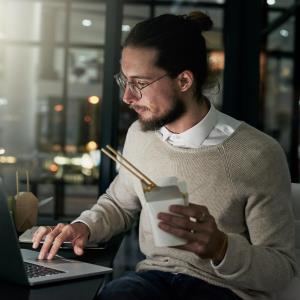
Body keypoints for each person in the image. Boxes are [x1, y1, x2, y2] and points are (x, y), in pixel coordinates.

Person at [32, 11, 296, 300]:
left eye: (140, 83)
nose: (127, 97)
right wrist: (83, 227)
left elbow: (282, 268)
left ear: (184, 81)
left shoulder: (259, 154)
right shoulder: (140, 135)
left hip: (225, 290)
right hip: (152, 279)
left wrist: (222, 248)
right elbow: (120, 204)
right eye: (125, 81)